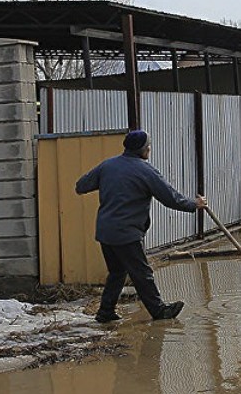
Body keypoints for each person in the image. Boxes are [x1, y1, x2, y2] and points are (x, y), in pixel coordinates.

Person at [75, 129, 206, 323]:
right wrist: (194, 204)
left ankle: (105, 312)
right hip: (126, 233)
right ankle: (159, 311)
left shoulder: (107, 166)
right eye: (148, 147)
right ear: (142, 150)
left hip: (105, 232)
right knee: (142, 273)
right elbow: (171, 198)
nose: (150, 149)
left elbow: (81, 186)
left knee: (118, 272)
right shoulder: (145, 171)